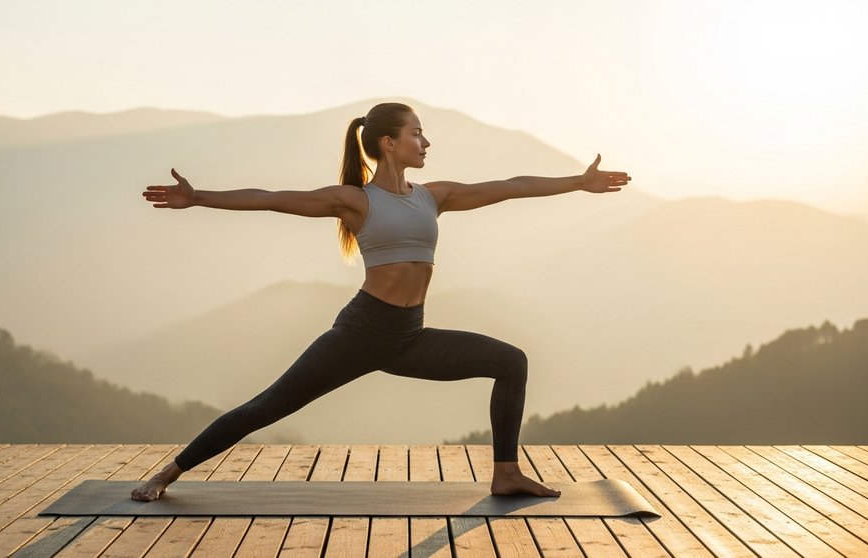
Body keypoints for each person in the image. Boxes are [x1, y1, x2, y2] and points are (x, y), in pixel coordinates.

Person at [132, 102, 630, 501]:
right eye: (417, 133)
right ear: (389, 143)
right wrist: (199, 198)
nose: (427, 141)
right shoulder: (354, 200)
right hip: (360, 334)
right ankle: (167, 474)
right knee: (266, 407)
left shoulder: (432, 196)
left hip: (408, 336)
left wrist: (578, 183)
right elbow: (272, 197)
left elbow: (507, 188)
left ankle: (505, 474)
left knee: (511, 362)